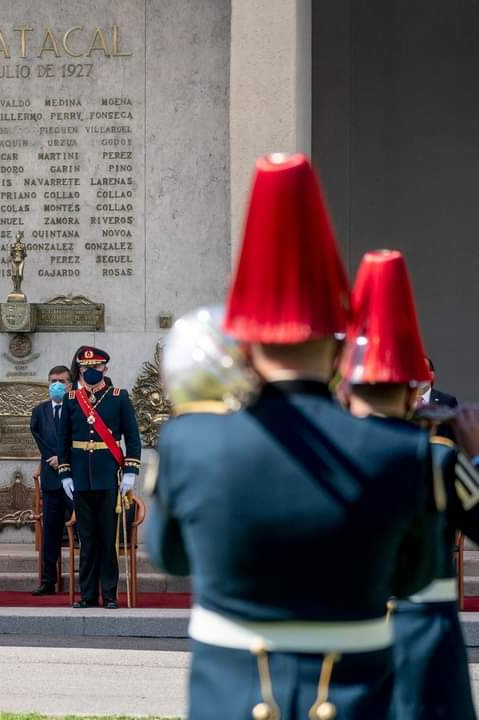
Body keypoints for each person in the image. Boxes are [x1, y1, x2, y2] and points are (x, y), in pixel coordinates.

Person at [145, 153, 439, 720]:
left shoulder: (190, 442)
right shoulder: (403, 451)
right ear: (339, 347)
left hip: (230, 695)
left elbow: (172, 556)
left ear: (246, 345)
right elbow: (413, 575)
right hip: (355, 694)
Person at [340, 250, 479, 720]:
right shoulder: (438, 461)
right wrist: (474, 454)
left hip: (345, 632)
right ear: (411, 392)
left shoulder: (324, 460)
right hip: (424, 642)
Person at [56, 347, 141, 609]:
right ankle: (88, 594)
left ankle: (110, 594)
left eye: (96, 368)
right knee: (87, 539)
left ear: (105, 369)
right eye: (84, 369)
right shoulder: (72, 399)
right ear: (79, 370)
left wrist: (130, 470)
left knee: (107, 539)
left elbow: (133, 438)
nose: (90, 372)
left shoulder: (118, 397)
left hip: (108, 478)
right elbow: (63, 440)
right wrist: (65, 473)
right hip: (81, 478)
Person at [29, 365, 73, 596]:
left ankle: (86, 578)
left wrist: (64, 458)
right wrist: (50, 457)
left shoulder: (76, 407)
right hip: (51, 478)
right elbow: (37, 435)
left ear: (70, 384)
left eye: (61, 381)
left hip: (74, 480)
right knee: (50, 533)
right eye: (52, 381)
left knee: (83, 528)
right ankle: (48, 580)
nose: (56, 385)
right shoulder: (40, 411)